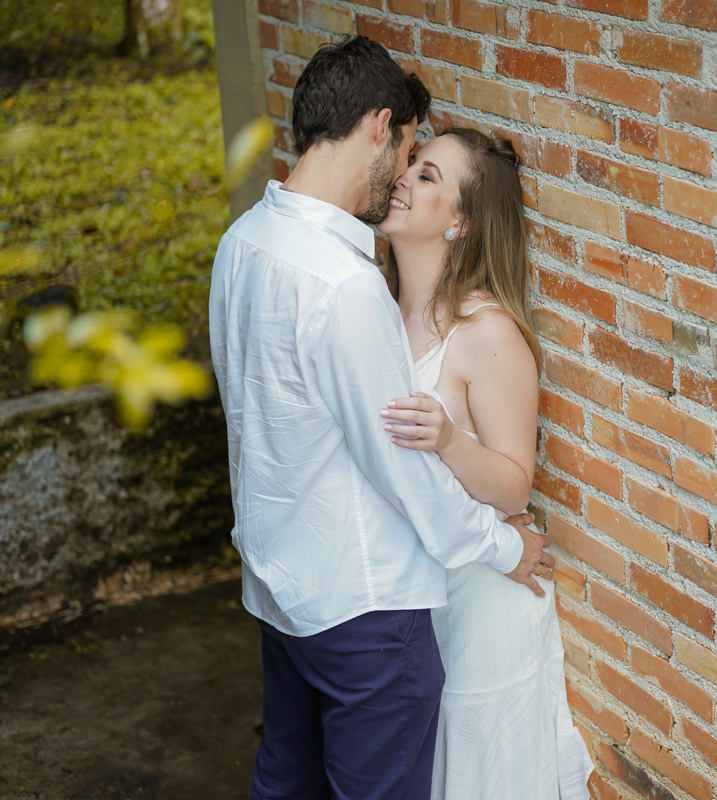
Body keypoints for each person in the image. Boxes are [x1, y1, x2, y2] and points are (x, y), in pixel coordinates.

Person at [208, 37, 554, 800]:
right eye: (406, 152)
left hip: (280, 589)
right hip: (363, 609)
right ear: (377, 125)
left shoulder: (241, 244)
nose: (400, 174)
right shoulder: (343, 283)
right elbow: (396, 465)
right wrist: (502, 548)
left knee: (286, 783)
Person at [376, 128, 592, 800]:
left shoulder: (486, 332)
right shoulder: (374, 311)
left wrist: (447, 440)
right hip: (408, 603)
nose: (405, 177)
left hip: (481, 609)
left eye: (430, 175)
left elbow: (513, 483)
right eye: (412, 163)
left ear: (462, 223)